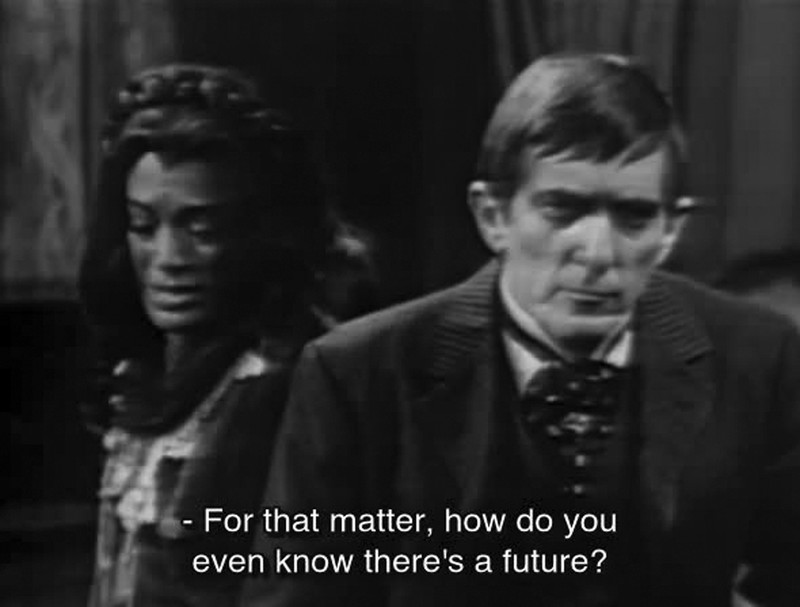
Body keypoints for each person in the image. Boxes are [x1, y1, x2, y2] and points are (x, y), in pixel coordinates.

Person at [242, 54, 800, 606]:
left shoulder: (757, 357)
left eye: (634, 216)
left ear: (671, 229)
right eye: (563, 210)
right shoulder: (358, 374)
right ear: (493, 216)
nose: (598, 253)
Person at [79, 64, 366, 606]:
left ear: (262, 233)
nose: (170, 258)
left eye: (203, 229)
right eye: (143, 226)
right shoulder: (142, 375)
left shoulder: (293, 388)